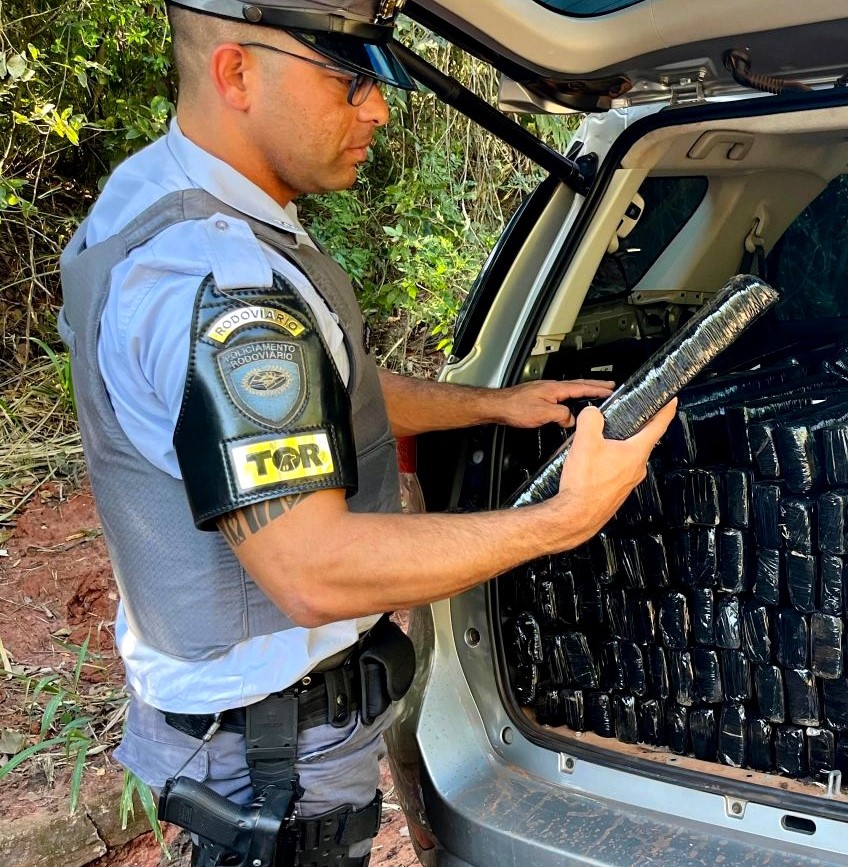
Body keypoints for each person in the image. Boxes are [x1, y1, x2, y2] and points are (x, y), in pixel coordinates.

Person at [56, 1, 676, 864]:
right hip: (270, 755)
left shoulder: (150, 202)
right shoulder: (219, 279)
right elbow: (313, 569)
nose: (377, 108)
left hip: (238, 728)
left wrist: (493, 405)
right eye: (348, 82)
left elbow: (320, 394)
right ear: (236, 72)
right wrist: (564, 521)